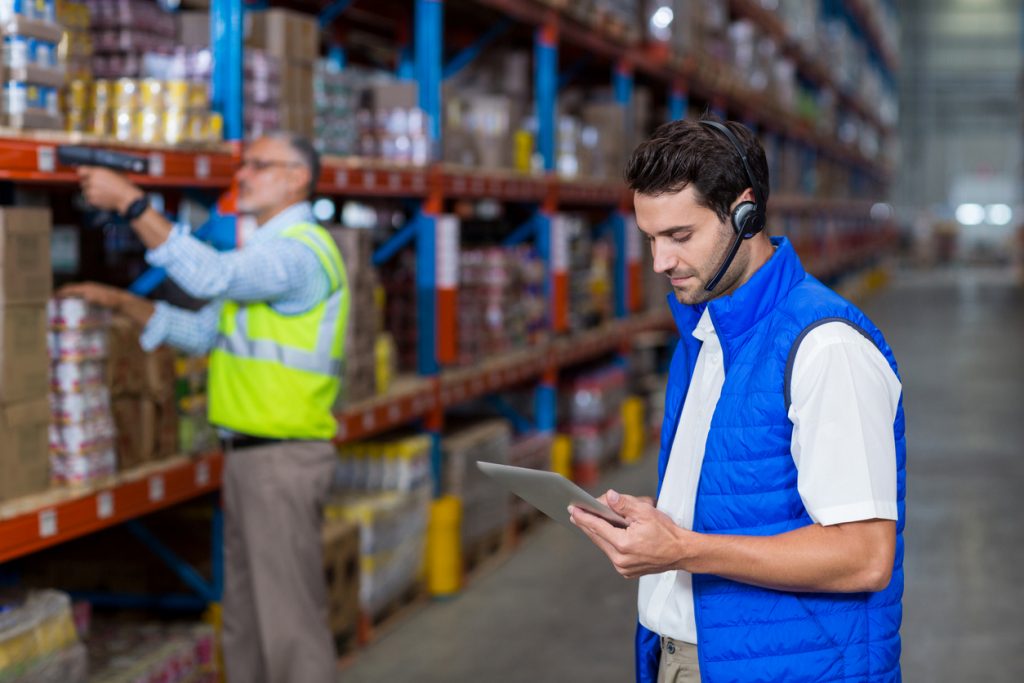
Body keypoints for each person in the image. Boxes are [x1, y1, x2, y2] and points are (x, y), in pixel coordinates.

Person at [569, 119, 906, 683]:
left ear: (744, 213)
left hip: (790, 665)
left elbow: (865, 555)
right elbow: (739, 494)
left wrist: (681, 548)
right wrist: (663, 523)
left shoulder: (825, 348)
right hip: (690, 656)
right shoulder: (705, 335)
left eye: (680, 236)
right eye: (651, 239)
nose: (661, 262)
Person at [61, 132, 348, 683]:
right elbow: (200, 332)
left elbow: (211, 276)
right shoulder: (264, 253)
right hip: (247, 458)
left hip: (282, 461)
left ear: (298, 178)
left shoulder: (300, 253)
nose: (243, 175)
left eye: (260, 165)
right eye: (244, 165)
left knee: (289, 628)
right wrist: (118, 301)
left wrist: (132, 205)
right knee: (244, 619)